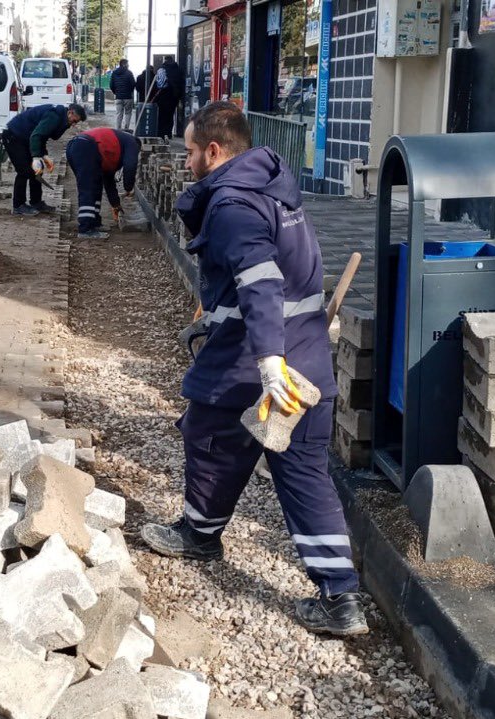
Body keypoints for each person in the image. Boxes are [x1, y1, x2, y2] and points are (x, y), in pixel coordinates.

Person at [140, 102, 366, 636]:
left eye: (192, 150)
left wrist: (268, 364)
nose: (189, 159)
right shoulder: (275, 187)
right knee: (306, 475)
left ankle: (200, 535)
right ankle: (341, 599)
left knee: (209, 436)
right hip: (309, 359)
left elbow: (261, 284)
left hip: (254, 365)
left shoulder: (234, 206)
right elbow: (286, 275)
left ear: (215, 152)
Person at [3, 102, 87, 216]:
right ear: (70, 112)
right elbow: (37, 136)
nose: (73, 125)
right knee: (24, 171)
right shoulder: (54, 116)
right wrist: (36, 157)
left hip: (25, 138)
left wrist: (44, 155)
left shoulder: (61, 117)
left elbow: (43, 136)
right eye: (74, 121)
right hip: (14, 135)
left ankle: (36, 202)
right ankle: (18, 205)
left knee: (38, 170)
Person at [64, 126, 139, 240]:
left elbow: (109, 181)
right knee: (88, 188)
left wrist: (115, 204)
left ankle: (94, 223)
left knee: (95, 187)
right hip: (85, 147)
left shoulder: (111, 150)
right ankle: (85, 229)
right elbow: (130, 165)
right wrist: (128, 187)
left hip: (78, 147)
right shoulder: (132, 143)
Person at [153, 57, 185, 139]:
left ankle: (161, 133)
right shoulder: (179, 70)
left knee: (161, 115)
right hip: (174, 97)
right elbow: (182, 83)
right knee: (170, 115)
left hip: (163, 96)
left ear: (165, 61)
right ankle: (168, 133)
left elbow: (159, 84)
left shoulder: (162, 70)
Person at [110, 58, 136, 131]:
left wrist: (116, 92)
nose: (128, 65)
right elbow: (133, 84)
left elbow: (111, 85)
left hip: (118, 97)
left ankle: (118, 129)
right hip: (128, 97)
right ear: (124, 64)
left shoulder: (114, 73)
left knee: (119, 114)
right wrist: (130, 91)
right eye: (127, 64)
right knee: (128, 113)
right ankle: (126, 128)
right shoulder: (129, 73)